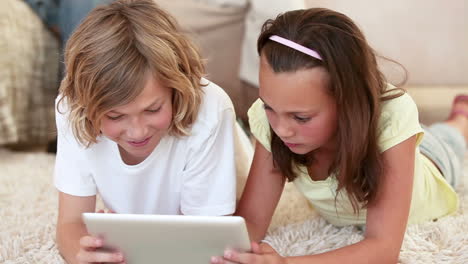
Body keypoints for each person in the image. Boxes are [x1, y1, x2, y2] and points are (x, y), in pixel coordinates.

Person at [211, 8, 468, 264]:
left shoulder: (393, 117)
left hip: (432, 162)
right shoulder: (272, 121)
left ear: (348, 102)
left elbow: (382, 248)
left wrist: (285, 263)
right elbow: (253, 220)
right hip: (390, 137)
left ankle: (460, 119)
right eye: (269, 107)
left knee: (450, 138)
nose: (282, 129)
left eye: (301, 117)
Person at [54, 0, 252, 263]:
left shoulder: (211, 109)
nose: (137, 132)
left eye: (152, 109)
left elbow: (207, 239)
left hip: (218, 206)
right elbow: (70, 222)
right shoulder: (71, 108)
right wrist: (82, 254)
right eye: (115, 116)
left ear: (176, 89)